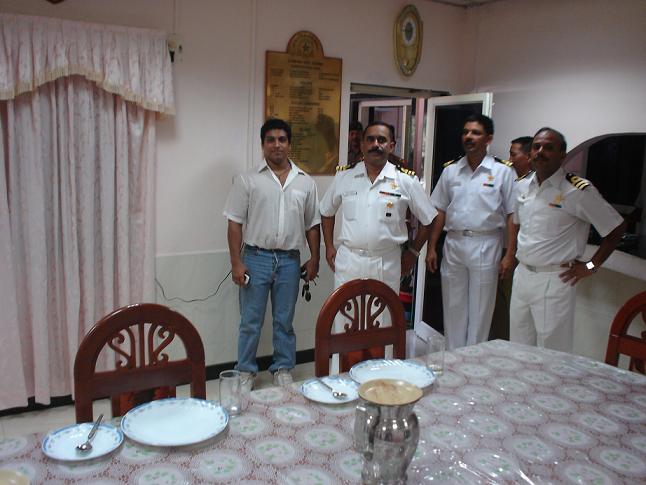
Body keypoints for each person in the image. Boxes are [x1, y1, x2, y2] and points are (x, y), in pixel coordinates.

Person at [510, 127, 626, 352]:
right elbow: (518, 224)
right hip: (522, 275)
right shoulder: (523, 185)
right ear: (530, 152)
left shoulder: (577, 190)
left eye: (548, 148)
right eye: (536, 147)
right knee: (518, 345)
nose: (540, 152)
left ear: (562, 155)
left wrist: (591, 266)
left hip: (555, 279)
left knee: (552, 350)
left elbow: (616, 229)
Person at [223, 118, 321, 387]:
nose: (276, 145)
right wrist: (236, 262)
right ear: (263, 144)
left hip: (290, 261)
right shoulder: (247, 180)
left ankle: (282, 368)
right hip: (256, 258)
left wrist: (315, 258)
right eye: (271, 140)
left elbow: (312, 224)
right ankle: (245, 371)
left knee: (284, 321)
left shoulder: (305, 182)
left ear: (289, 144)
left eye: (282, 139)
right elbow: (234, 223)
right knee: (250, 321)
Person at [426, 114, 516, 349]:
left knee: (481, 309)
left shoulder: (502, 172)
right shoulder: (451, 171)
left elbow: (512, 215)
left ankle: (474, 359)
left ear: (488, 138)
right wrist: (431, 247)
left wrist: (509, 254)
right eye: (465, 132)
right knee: (453, 306)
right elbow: (439, 210)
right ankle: (453, 357)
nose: (469, 136)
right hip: (454, 243)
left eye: (475, 133)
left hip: (486, 243)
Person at [320, 121, 437, 293]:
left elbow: (429, 219)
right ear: (362, 145)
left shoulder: (405, 180)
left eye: (381, 140)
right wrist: (329, 246)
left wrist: (413, 253)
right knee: (347, 310)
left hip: (386, 263)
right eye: (370, 139)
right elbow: (326, 211)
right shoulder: (344, 176)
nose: (375, 144)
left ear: (391, 146)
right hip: (349, 262)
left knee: (383, 310)